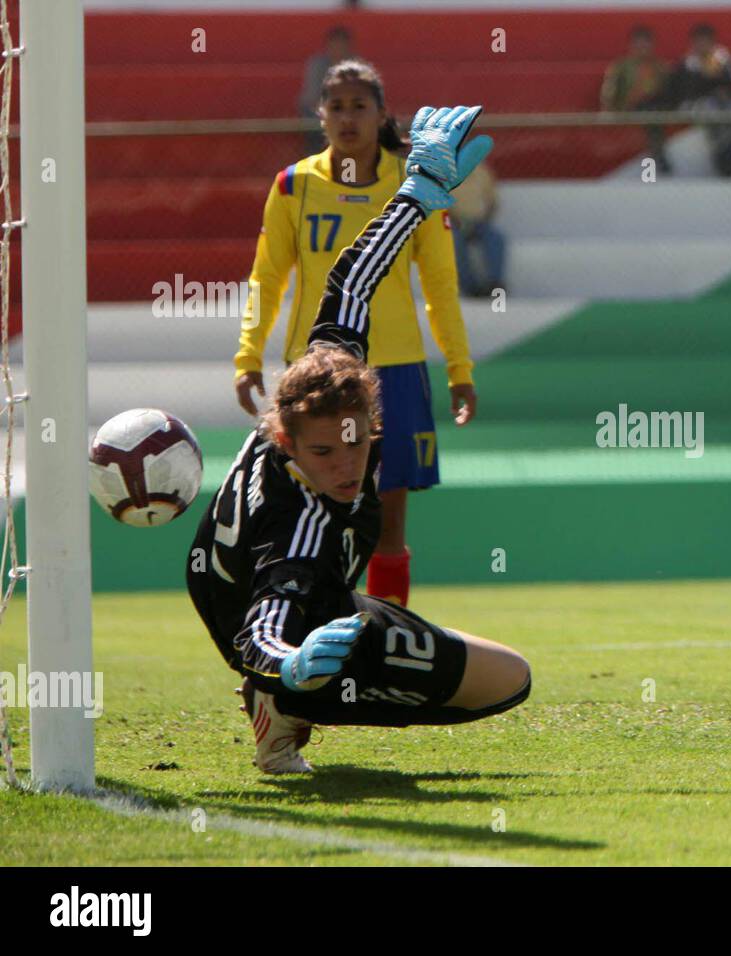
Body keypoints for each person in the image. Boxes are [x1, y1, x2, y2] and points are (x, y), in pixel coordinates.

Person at [191, 106, 529, 775]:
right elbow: (259, 624)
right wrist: (287, 663)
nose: (347, 464)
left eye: (358, 441)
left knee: (511, 676)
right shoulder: (296, 534)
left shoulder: (328, 375)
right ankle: (282, 704)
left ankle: (296, 688)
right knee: (498, 682)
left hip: (303, 593)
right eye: (324, 452)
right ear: (284, 440)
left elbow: (351, 279)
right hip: (272, 618)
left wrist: (416, 194)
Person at [236, 60, 478, 611]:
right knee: (308, 520)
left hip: (392, 374)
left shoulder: (414, 185)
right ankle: (306, 634)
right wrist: (248, 352)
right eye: (336, 106)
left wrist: (458, 368)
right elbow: (266, 277)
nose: (347, 117)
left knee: (386, 531)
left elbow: (441, 284)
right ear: (320, 115)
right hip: (314, 375)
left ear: (381, 114)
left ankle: (379, 648)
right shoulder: (294, 185)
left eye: (359, 105)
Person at [674, 23, 731, 177]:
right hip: (698, 104)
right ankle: (721, 157)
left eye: (706, 41)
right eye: (699, 42)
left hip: (724, 103)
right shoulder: (688, 62)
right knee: (711, 110)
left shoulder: (722, 59)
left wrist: (723, 90)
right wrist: (710, 85)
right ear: (693, 43)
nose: (703, 45)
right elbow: (686, 90)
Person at [600, 24, 672, 173]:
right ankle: (658, 163)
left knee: (651, 112)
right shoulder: (621, 66)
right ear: (631, 45)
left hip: (654, 110)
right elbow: (609, 91)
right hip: (630, 109)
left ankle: (655, 166)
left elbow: (670, 91)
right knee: (649, 113)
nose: (642, 48)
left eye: (646, 43)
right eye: (638, 44)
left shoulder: (660, 67)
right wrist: (610, 110)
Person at [450, 161, 507, 297]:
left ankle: (494, 282)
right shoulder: (444, 171)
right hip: (453, 222)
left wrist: (484, 219)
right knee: (455, 243)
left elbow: (492, 202)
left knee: (496, 238)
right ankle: (470, 287)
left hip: (478, 222)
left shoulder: (482, 171)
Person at [297, 26, 354, 153]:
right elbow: (311, 97)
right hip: (321, 114)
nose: (338, 49)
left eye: (342, 45)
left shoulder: (357, 66)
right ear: (328, 46)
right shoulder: (317, 65)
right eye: (335, 44)